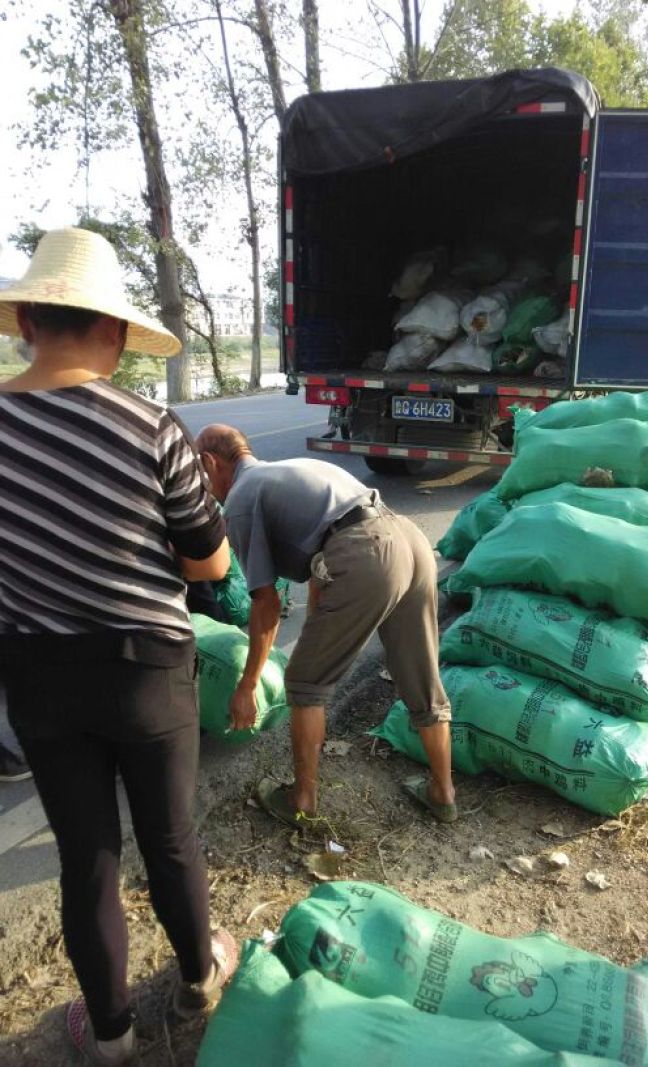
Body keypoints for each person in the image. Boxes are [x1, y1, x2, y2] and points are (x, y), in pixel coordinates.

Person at [0, 228, 238, 1066]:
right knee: (170, 837)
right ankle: (198, 980)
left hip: (37, 674)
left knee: (87, 858)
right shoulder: (151, 427)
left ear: (27, 318)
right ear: (111, 330)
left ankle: (108, 1035)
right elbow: (210, 559)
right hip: (146, 672)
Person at [195, 424, 457, 825]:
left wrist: (247, 686)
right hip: (408, 540)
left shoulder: (242, 500)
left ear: (211, 463)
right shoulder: (291, 471)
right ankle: (443, 793)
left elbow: (265, 605)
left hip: (366, 553)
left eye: (201, 473)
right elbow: (320, 569)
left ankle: (302, 800)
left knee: (303, 683)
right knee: (421, 677)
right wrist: (321, 632)